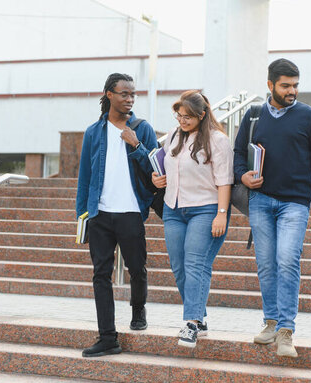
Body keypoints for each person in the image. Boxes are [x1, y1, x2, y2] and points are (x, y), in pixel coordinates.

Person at [233, 58, 311, 358]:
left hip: (295, 203)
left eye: (295, 85)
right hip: (260, 201)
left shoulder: (310, 117)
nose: (292, 91)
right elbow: (238, 155)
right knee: (266, 264)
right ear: (270, 85)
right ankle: (271, 322)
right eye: (286, 86)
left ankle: (286, 331)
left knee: (287, 260)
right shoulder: (253, 116)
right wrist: (243, 176)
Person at [76, 73, 158, 357]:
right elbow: (84, 177)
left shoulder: (142, 128)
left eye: (133, 94)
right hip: (100, 213)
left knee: (137, 267)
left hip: (131, 212)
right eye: (124, 93)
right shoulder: (93, 132)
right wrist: (83, 214)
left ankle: (138, 308)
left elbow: (155, 171)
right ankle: (108, 337)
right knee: (101, 275)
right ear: (109, 94)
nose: (129, 98)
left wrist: (136, 145)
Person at [151, 90, 234, 348]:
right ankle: (201, 317)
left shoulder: (218, 140)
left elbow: (224, 181)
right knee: (179, 266)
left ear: (202, 115)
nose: (182, 120)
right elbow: (165, 167)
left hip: (205, 209)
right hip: (173, 209)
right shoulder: (174, 136)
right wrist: (158, 179)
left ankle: (190, 324)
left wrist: (221, 215)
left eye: (188, 116)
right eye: (179, 115)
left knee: (195, 263)